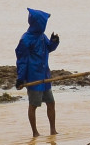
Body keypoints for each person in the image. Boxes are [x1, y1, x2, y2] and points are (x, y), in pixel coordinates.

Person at [16, 8, 60, 137]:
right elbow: (22, 60)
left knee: (51, 103)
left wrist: (54, 42)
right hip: (33, 77)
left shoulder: (41, 36)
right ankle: (35, 132)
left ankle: (53, 130)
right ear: (39, 23)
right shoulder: (25, 39)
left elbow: (48, 48)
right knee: (33, 105)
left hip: (45, 76)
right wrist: (20, 78)